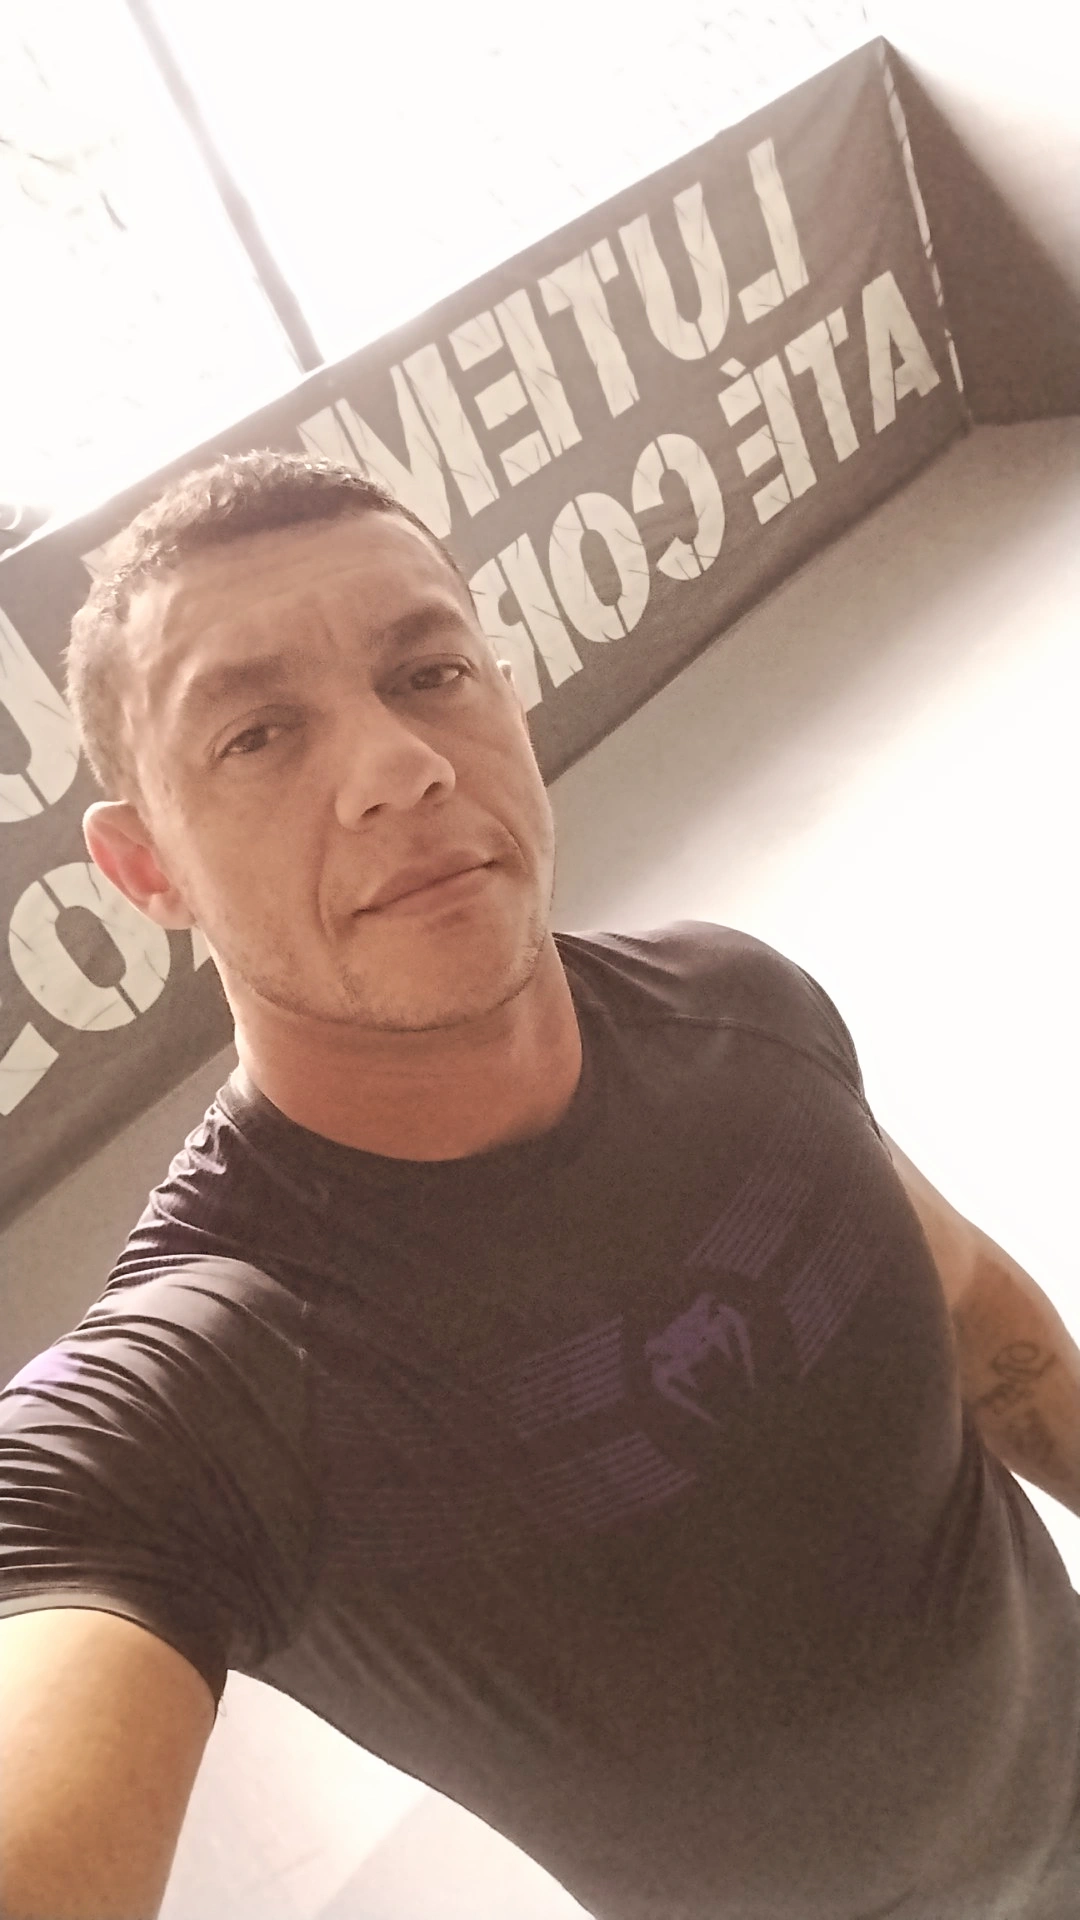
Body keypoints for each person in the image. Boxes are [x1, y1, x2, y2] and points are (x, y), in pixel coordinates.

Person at [1, 449, 1078, 1920]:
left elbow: (965, 1299)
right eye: (257, 734)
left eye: (429, 672)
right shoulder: (209, 1386)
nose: (398, 766)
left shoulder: (743, 1008)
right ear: (147, 872)